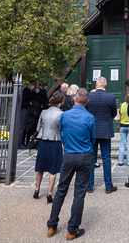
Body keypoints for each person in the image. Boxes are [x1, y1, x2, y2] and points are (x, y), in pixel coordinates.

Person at [46, 88, 95, 240]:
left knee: (61, 190)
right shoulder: (90, 117)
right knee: (79, 193)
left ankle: (52, 226)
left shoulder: (65, 116)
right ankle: (72, 229)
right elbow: (92, 139)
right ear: (87, 101)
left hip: (68, 154)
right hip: (84, 155)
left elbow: (62, 133)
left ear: (74, 99)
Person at [86, 76, 118, 194]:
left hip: (92, 130)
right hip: (105, 130)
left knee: (91, 158)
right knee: (106, 158)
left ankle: (89, 186)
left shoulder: (90, 97)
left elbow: (86, 111)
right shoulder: (111, 97)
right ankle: (108, 186)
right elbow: (114, 113)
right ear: (106, 85)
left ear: (96, 84)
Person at [34, 91, 64, 203]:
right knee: (53, 169)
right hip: (55, 141)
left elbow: (38, 127)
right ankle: (49, 193)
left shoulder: (43, 112)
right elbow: (62, 129)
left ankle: (37, 189)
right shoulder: (61, 114)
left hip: (43, 140)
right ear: (60, 104)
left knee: (40, 167)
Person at [118, 92, 129, 166]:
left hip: (122, 125)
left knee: (122, 144)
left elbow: (120, 114)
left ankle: (120, 161)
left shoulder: (121, 105)